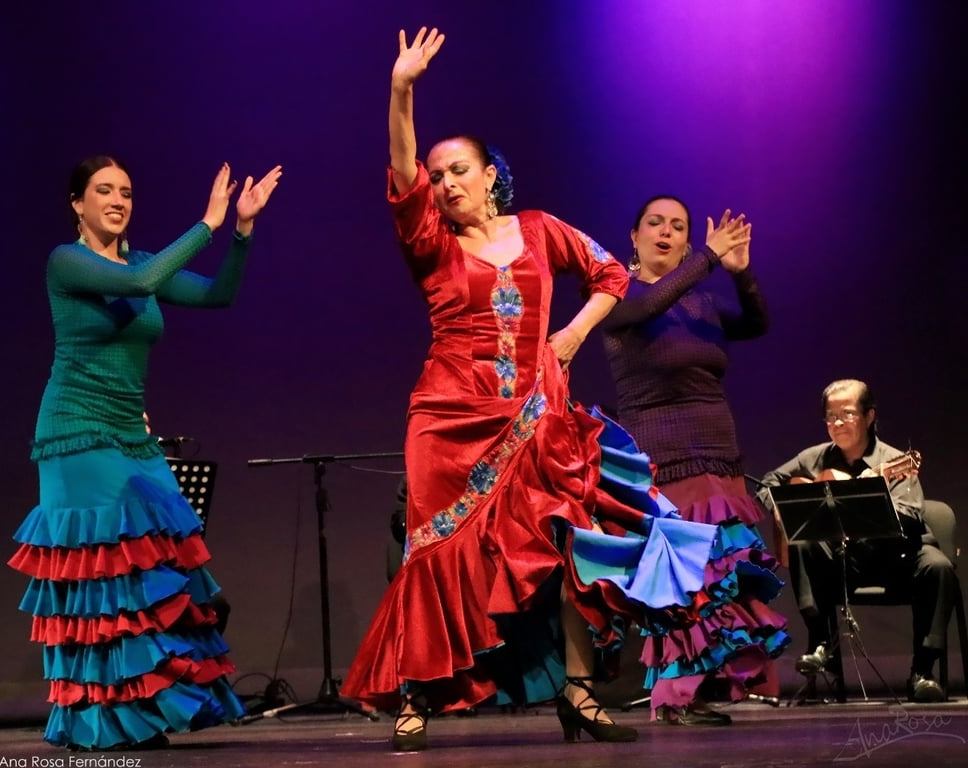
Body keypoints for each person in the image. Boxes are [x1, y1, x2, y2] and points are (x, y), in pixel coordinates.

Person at [339, 28, 768, 751]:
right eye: (438, 175)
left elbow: (611, 277)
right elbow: (402, 166)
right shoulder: (431, 244)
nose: (444, 182)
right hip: (449, 419)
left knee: (571, 540)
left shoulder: (538, 230)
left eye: (457, 170)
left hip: (539, 415)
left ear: (489, 175)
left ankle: (578, 693)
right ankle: (418, 693)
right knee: (438, 554)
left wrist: (568, 337)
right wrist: (401, 89)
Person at [8, 155, 282, 750]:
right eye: (103, 191)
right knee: (103, 574)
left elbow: (216, 297)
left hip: (131, 433)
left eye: (126, 192)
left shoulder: (137, 260)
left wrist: (239, 232)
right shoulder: (68, 261)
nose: (117, 200)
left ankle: (140, 710)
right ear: (77, 203)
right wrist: (206, 225)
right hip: (76, 433)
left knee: (159, 566)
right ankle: (98, 720)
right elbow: (140, 286)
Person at [601, 196, 789, 725]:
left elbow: (756, 322)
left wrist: (740, 273)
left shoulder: (701, 303)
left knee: (719, 575)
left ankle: (700, 689)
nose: (666, 232)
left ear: (685, 241)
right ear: (633, 236)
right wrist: (705, 258)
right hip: (663, 455)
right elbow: (647, 308)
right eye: (655, 223)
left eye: (678, 227)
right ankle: (671, 695)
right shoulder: (615, 294)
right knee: (684, 579)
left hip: (717, 451)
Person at [757, 378, 956, 702]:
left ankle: (923, 672)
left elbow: (910, 516)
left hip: (894, 559)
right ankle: (821, 644)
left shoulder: (894, 461)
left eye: (847, 414)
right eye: (831, 416)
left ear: (869, 416)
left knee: (937, 566)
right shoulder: (815, 458)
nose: (837, 423)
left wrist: (869, 498)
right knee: (804, 540)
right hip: (842, 563)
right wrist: (780, 508)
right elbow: (767, 482)